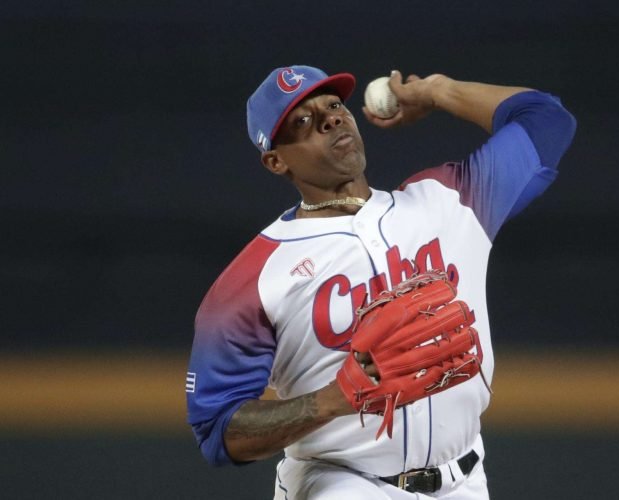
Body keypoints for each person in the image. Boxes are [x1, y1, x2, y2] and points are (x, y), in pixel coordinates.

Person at [186, 64, 576, 499]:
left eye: (334, 105)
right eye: (303, 121)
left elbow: (547, 120)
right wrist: (330, 399)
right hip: (340, 483)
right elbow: (219, 431)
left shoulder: (449, 200)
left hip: (466, 479)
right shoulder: (254, 277)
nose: (331, 118)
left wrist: (437, 92)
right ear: (276, 161)